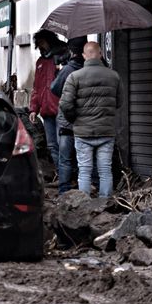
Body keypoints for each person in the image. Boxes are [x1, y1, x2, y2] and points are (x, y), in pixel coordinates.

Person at [59, 41, 126, 199]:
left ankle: (85, 206)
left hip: (83, 132)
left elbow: (65, 104)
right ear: (101, 54)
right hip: (106, 131)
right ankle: (105, 203)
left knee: (84, 170)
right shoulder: (114, 76)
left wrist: (74, 119)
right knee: (105, 170)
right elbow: (119, 102)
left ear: (84, 56)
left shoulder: (74, 77)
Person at [49, 36, 87, 194]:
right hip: (87, 121)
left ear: (71, 51)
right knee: (85, 159)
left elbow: (54, 88)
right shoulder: (95, 67)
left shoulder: (67, 70)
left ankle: (64, 190)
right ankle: (86, 188)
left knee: (65, 159)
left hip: (67, 123)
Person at [28, 30, 65, 170]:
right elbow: (36, 87)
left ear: (49, 40)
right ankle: (62, 175)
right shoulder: (40, 62)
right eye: (38, 44)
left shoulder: (62, 57)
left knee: (63, 145)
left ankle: (67, 176)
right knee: (52, 146)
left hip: (61, 109)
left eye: (42, 42)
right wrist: (33, 109)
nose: (40, 46)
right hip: (46, 110)